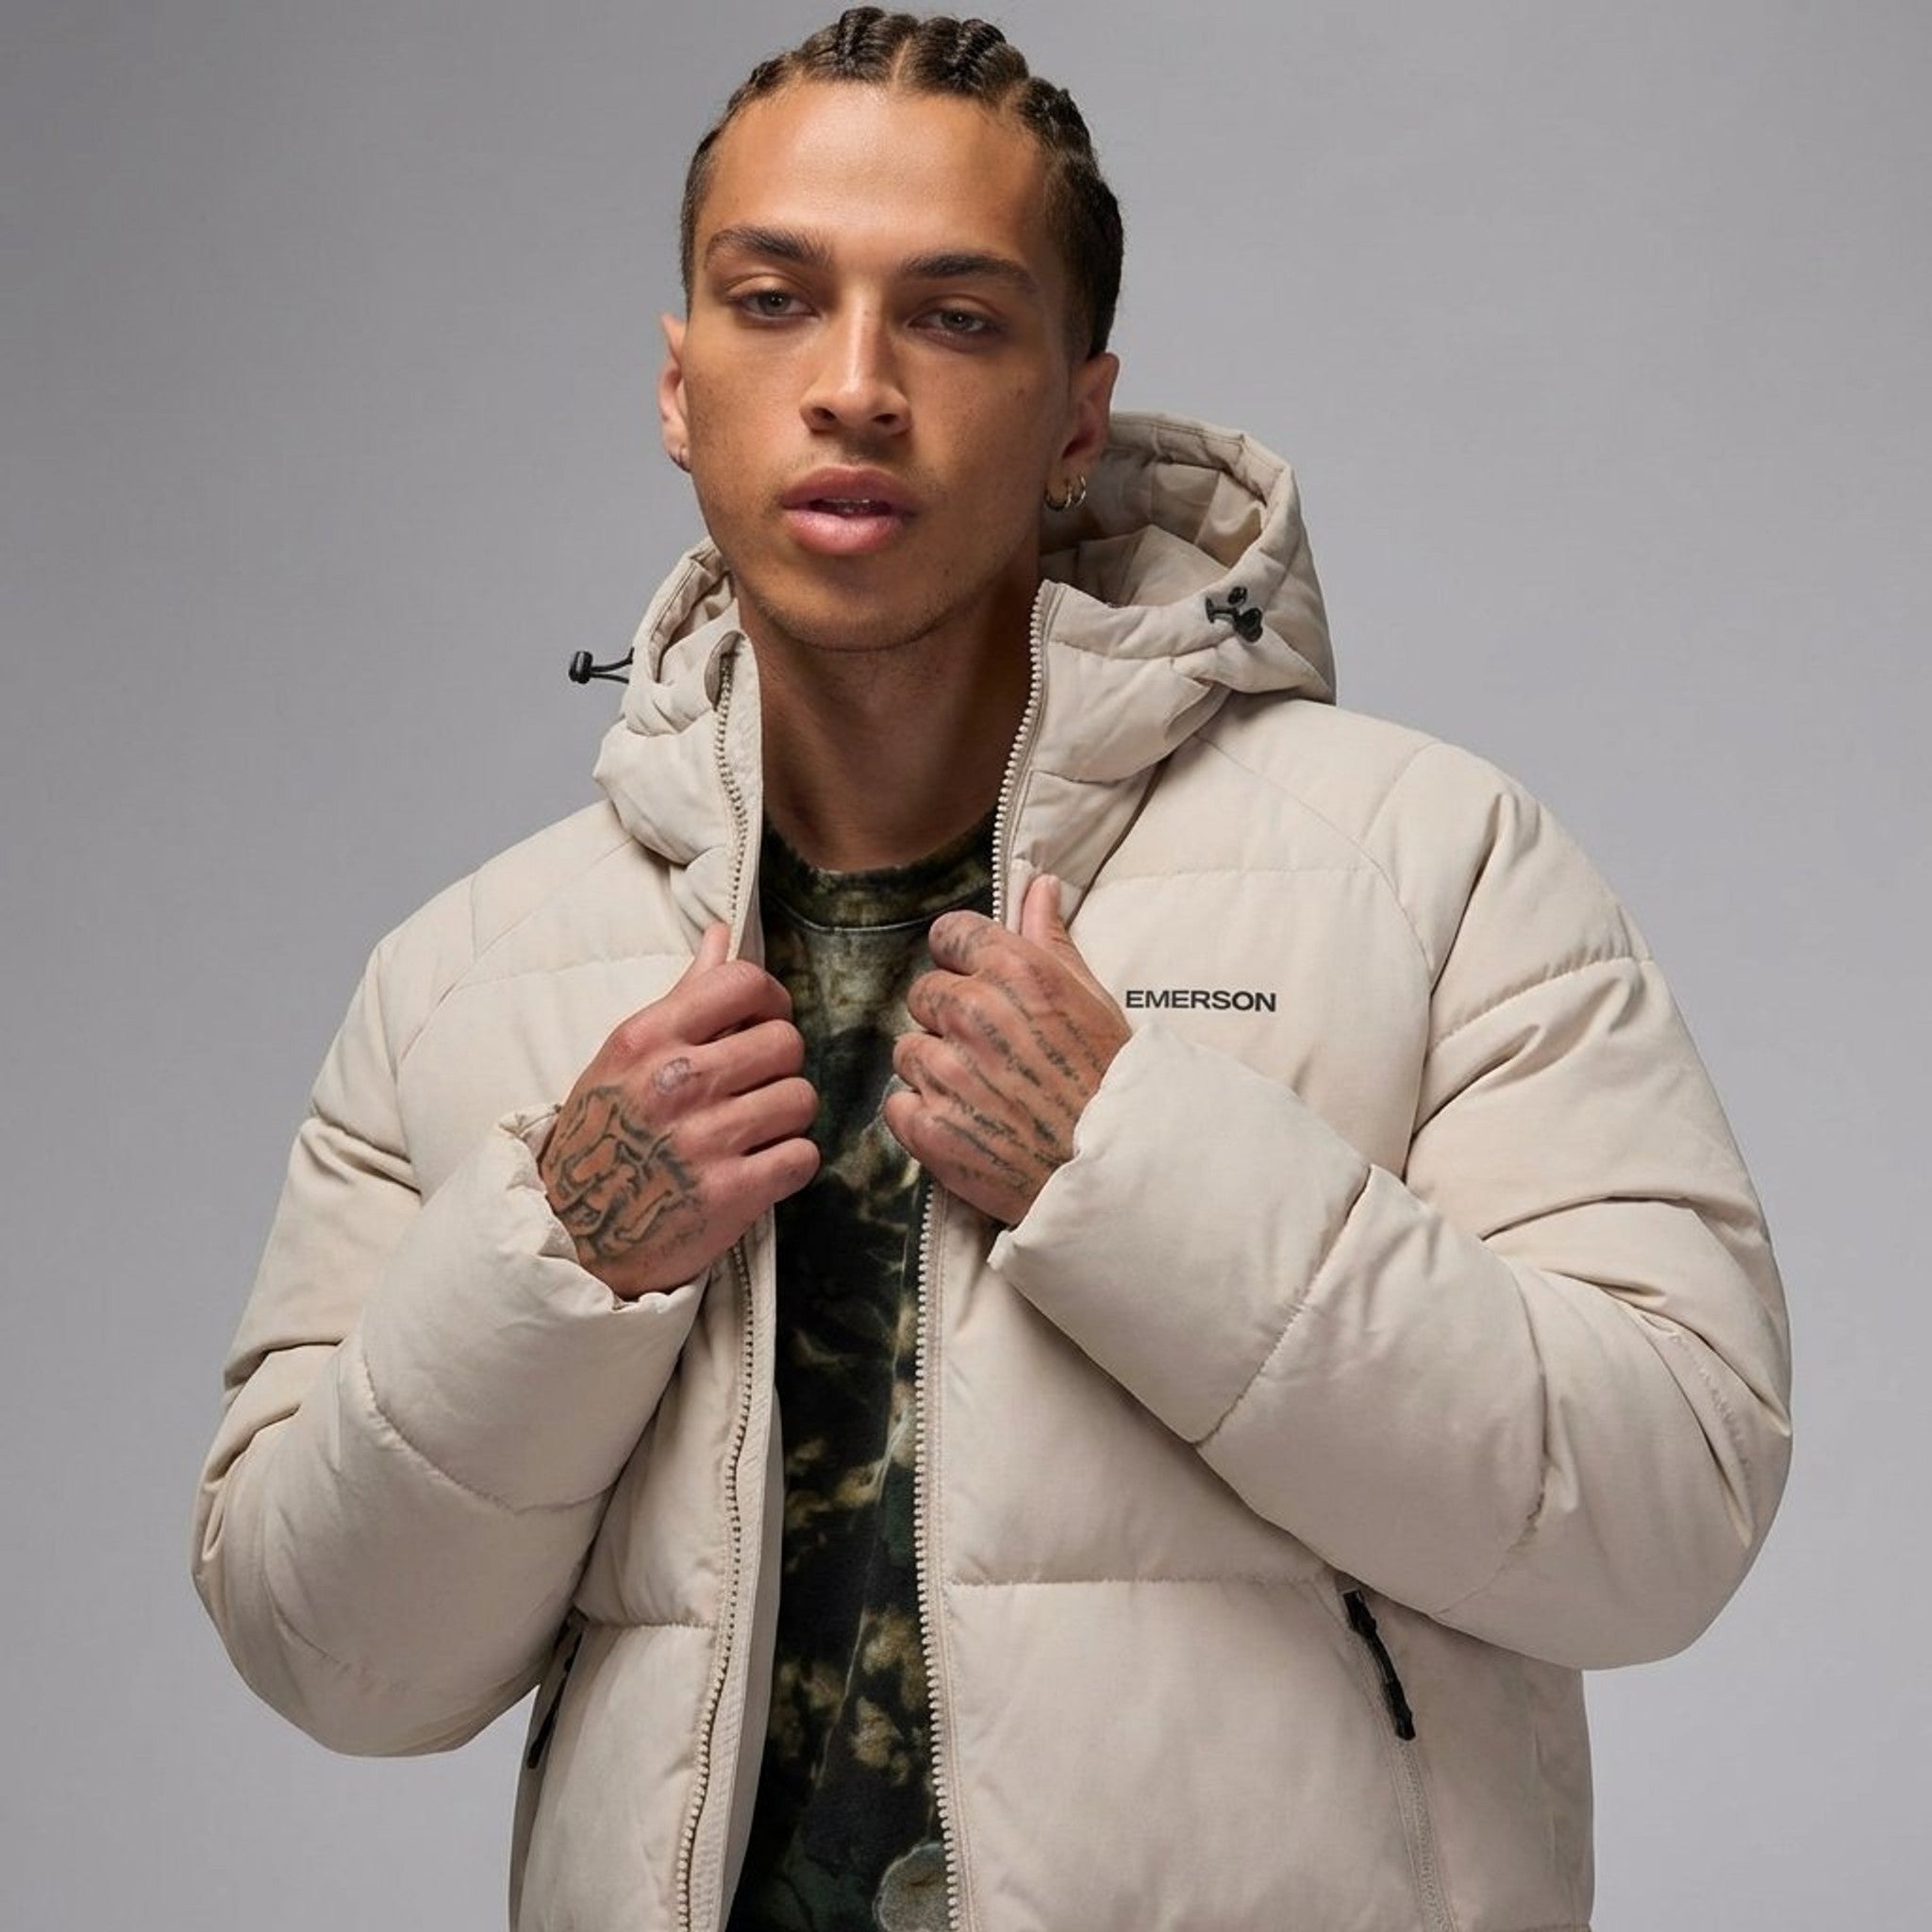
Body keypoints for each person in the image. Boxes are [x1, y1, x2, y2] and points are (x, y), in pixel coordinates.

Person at [189, 10, 1792, 1930]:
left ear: (1077, 419)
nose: (854, 386)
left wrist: (1134, 1166)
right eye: (775, 301)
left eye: (952, 318)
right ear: (681, 386)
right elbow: (333, 1660)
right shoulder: (469, 978)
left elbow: (1667, 1510)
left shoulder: (1430, 872)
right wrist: (557, 1248)